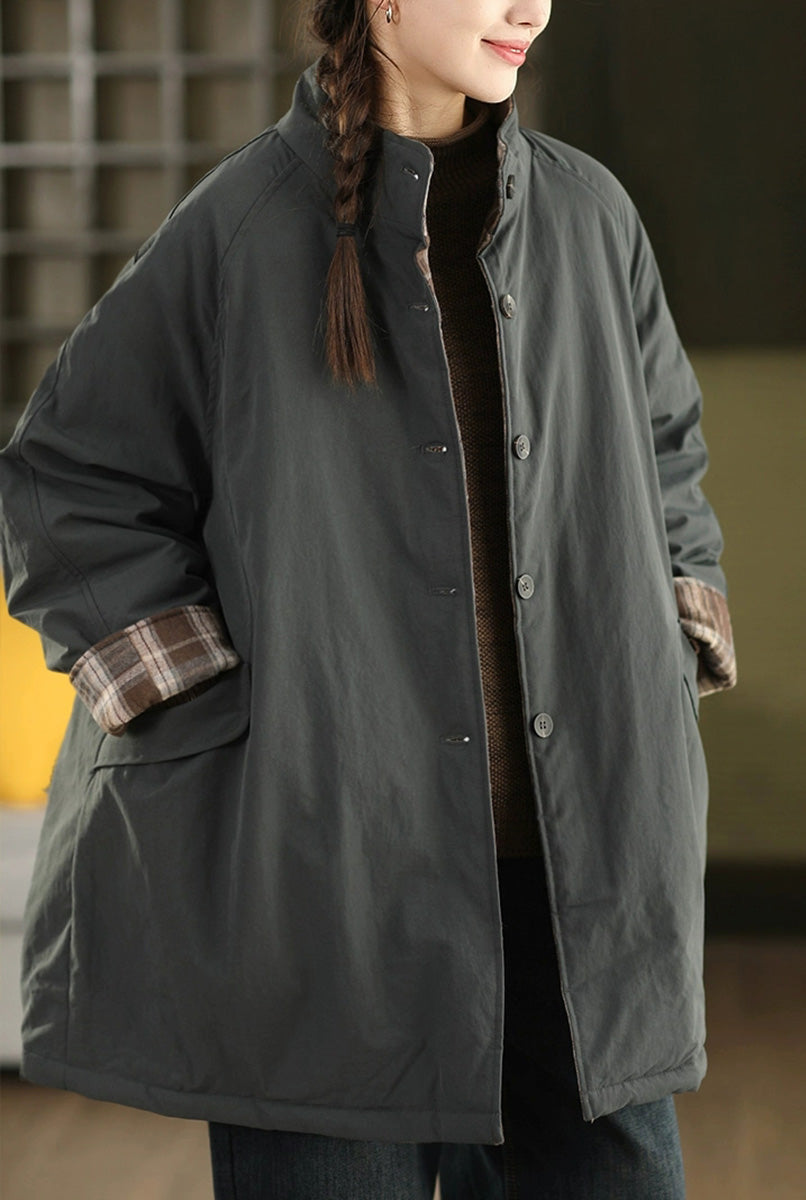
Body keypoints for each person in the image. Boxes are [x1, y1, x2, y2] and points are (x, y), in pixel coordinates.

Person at [0, 0, 737, 1196]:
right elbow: (67, 481)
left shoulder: (592, 213)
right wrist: (211, 709)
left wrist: (670, 640)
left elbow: (667, 452)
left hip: (579, 894)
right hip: (329, 905)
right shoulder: (241, 225)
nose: (531, 7)